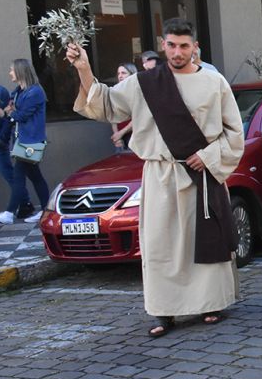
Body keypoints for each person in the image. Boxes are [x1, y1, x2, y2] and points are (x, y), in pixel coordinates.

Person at [67, 18, 243, 337]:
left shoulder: (215, 84)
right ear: (163, 44)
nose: (177, 52)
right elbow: (106, 105)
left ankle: (211, 302)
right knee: (161, 245)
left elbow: (234, 132)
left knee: (202, 239)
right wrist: (83, 68)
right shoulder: (145, 83)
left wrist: (208, 156)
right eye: (172, 45)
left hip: (200, 174)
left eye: (184, 46)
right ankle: (165, 311)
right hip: (160, 174)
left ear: (195, 47)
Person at [0, 60, 49, 225]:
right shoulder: (21, 90)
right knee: (36, 177)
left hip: (31, 141)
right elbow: (11, 105)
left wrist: (7, 113)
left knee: (19, 175)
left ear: (20, 72)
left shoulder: (35, 92)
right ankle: (46, 210)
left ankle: (9, 212)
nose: (10, 73)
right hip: (24, 141)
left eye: (12, 70)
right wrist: (9, 109)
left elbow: (21, 116)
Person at [111, 63, 137, 153]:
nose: (120, 76)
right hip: (120, 138)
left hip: (135, 137)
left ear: (132, 75)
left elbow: (139, 117)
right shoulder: (115, 92)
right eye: (118, 73)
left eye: (123, 73)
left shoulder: (137, 92)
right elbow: (113, 117)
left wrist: (121, 133)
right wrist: (117, 136)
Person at [0, 86, 12, 192]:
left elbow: (7, 117)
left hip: (0, 141)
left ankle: (24, 201)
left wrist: (2, 138)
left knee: (8, 172)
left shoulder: (1, 92)